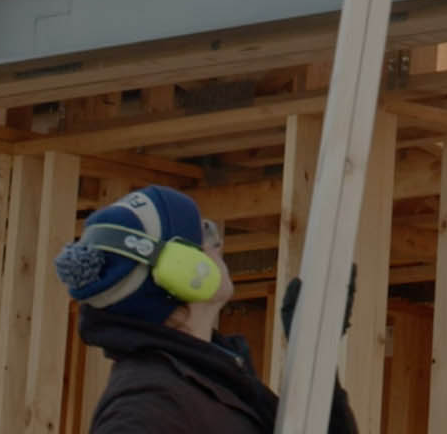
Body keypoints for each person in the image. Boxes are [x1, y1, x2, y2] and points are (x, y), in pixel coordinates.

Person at [54, 184, 358, 434]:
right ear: (182, 273)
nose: (219, 244)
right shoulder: (147, 408)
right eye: (205, 234)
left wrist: (316, 359)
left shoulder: (209, 384)